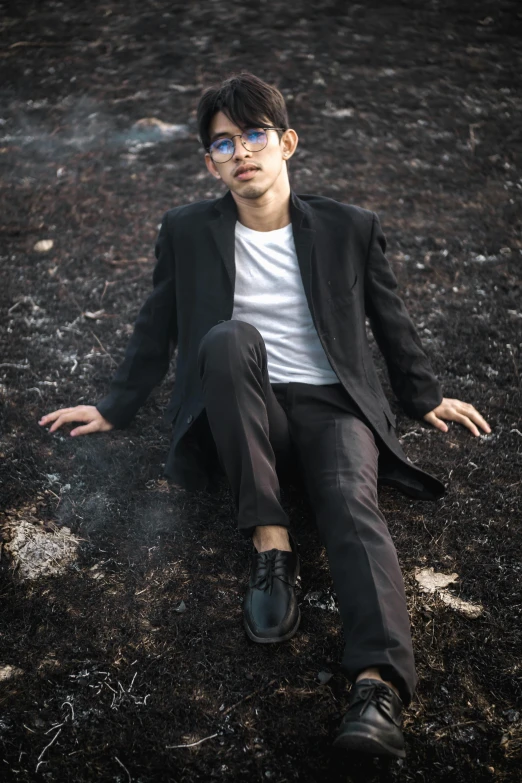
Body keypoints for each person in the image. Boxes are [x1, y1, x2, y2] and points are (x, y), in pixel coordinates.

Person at [39, 72, 491, 759]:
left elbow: (389, 319)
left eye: (254, 135)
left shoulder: (348, 226)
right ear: (210, 161)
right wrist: (112, 405)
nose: (241, 152)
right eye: (224, 143)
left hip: (333, 406)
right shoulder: (188, 231)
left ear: (287, 143)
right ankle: (271, 547)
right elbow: (156, 325)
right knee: (225, 338)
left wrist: (422, 396)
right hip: (243, 407)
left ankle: (377, 688)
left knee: (349, 501)